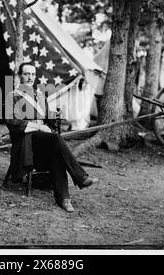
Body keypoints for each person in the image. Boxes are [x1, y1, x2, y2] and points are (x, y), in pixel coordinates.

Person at [5, 62, 98, 212]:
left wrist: (51, 123)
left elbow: (49, 121)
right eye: (26, 73)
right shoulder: (13, 96)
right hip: (25, 143)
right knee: (55, 140)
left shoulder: (40, 96)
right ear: (20, 75)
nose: (30, 77)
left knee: (56, 150)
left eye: (33, 74)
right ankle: (80, 178)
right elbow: (13, 122)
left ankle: (64, 199)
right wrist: (39, 126)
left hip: (43, 143)